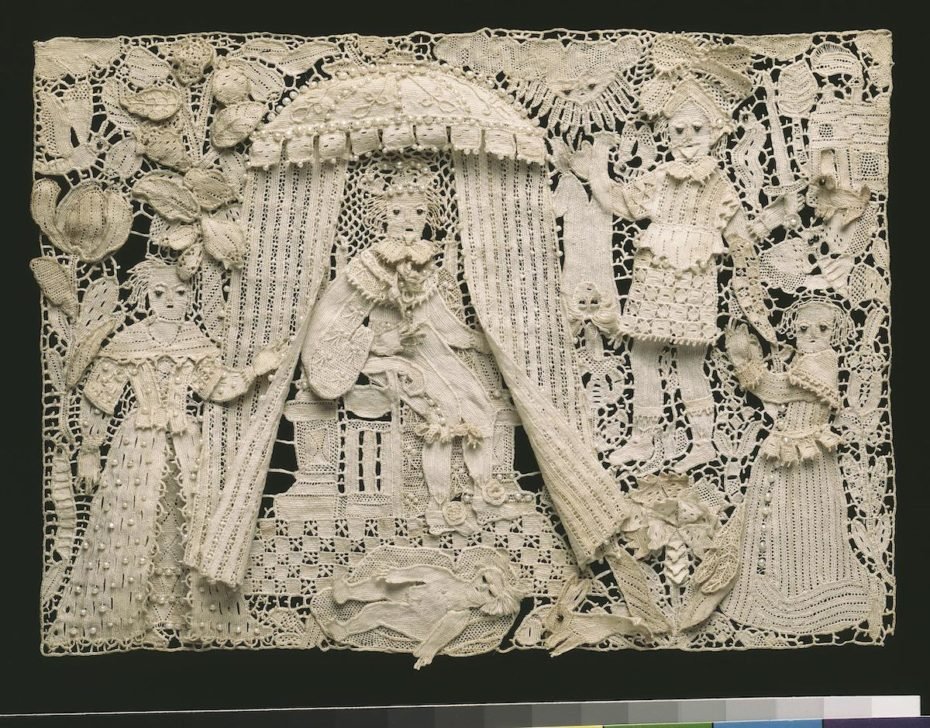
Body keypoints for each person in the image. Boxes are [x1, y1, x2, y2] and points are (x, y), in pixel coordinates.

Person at [48, 259, 283, 647]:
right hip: (137, 447)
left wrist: (253, 371)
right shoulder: (129, 341)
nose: (171, 301)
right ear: (145, 299)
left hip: (186, 444)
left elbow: (216, 388)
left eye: (179, 293)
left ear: (189, 296)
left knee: (185, 520)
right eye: (160, 293)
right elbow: (101, 395)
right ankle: (131, 619)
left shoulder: (195, 341)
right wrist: (89, 449)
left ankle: (184, 616)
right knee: (132, 525)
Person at [302, 162, 531, 535]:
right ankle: (439, 505)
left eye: (420, 212)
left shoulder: (426, 269)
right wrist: (381, 343)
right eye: (397, 212)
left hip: (431, 350)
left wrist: (484, 341)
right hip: (386, 357)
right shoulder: (368, 267)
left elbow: (443, 324)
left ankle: (483, 491)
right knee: (442, 410)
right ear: (382, 218)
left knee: (476, 401)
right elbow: (332, 325)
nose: (409, 222)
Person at [587, 78, 795, 471]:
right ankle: (642, 439)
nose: (687, 138)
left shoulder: (719, 187)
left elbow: (738, 238)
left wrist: (773, 218)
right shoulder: (659, 179)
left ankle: (702, 443)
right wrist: (598, 165)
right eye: (679, 129)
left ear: (713, 133)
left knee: (689, 361)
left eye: (697, 129)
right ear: (667, 133)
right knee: (641, 356)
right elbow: (620, 203)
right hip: (653, 278)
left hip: (694, 282)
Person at [720, 300, 870, 634]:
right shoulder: (804, 360)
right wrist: (749, 360)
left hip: (806, 456)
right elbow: (777, 396)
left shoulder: (822, 362)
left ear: (835, 333)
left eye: (822, 329)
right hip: (789, 448)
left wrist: (745, 361)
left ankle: (804, 596)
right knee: (779, 523)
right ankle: (775, 588)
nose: (812, 335)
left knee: (807, 523)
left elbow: (776, 389)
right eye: (803, 329)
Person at [317, 548, 523, 668]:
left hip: (421, 622)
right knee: (383, 585)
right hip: (416, 596)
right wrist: (398, 574)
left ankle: (344, 630)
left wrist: (428, 651)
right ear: (479, 573)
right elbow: (423, 571)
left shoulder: (461, 615)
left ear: (491, 604)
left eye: (489, 592)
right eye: (484, 579)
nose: (482, 586)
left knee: (378, 612)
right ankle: (347, 592)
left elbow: (444, 633)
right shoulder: (450, 578)